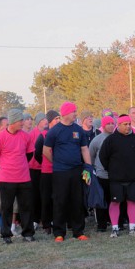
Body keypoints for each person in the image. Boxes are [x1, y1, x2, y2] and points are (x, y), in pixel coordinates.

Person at [43, 102, 91, 242]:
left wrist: (88, 167)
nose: (76, 114)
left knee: (77, 201)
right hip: (60, 172)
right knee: (60, 201)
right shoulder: (54, 131)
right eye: (73, 111)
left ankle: (78, 231)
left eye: (76, 111)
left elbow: (84, 149)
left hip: (77, 170)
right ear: (65, 113)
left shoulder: (78, 130)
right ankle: (59, 233)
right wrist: (57, 162)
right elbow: (46, 151)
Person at [0, 109, 35, 244]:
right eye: (21, 120)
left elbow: (30, 154)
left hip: (24, 178)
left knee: (26, 206)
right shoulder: (0, 137)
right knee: (7, 207)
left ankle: (28, 233)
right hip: (7, 179)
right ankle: (6, 234)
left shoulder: (25, 136)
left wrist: (20, 165)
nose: (23, 123)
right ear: (13, 121)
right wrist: (6, 167)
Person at [99, 115, 135, 237]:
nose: (128, 126)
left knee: (132, 202)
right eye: (125, 124)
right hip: (116, 178)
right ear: (118, 125)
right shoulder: (110, 140)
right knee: (115, 203)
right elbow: (103, 157)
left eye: (129, 124)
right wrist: (113, 170)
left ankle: (132, 228)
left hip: (133, 177)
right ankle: (114, 229)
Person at [35, 110, 60, 234]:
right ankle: (46, 224)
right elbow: (38, 153)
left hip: (60, 171)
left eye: (59, 118)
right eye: (56, 119)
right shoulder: (43, 135)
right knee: (46, 199)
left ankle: (58, 222)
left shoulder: (61, 132)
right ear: (50, 121)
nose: (58, 121)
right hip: (46, 171)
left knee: (58, 198)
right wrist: (48, 163)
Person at [89, 115, 116, 232]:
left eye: (112, 123)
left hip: (115, 175)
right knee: (101, 200)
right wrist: (96, 168)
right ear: (103, 125)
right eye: (108, 123)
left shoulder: (117, 138)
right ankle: (101, 224)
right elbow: (91, 155)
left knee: (114, 200)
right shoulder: (97, 140)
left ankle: (114, 221)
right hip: (101, 175)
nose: (111, 126)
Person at [29, 112, 48, 230]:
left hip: (45, 169)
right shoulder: (32, 134)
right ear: (38, 122)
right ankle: (35, 219)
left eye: (46, 119)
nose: (45, 121)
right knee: (35, 195)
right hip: (34, 168)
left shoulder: (48, 133)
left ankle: (44, 218)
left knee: (45, 195)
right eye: (43, 119)